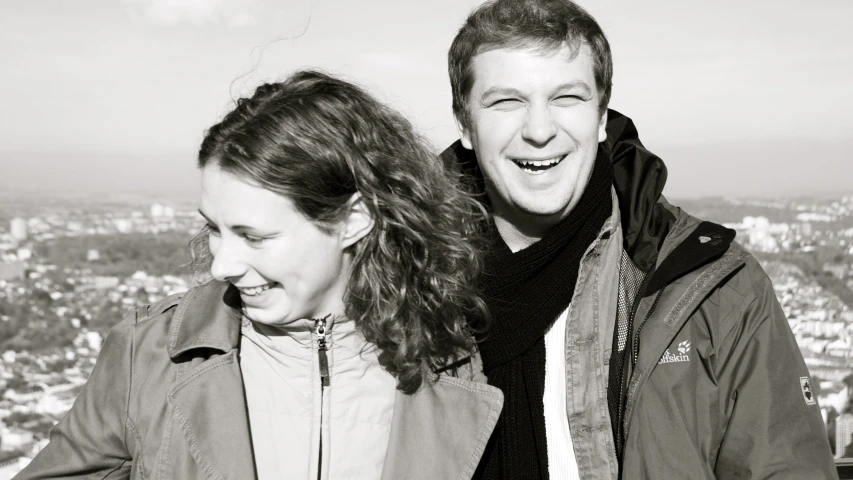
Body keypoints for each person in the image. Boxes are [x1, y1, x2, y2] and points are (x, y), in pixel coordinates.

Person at [15, 70, 503, 480]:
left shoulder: (455, 359)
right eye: (215, 229)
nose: (222, 264)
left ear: (354, 220)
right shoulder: (150, 356)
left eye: (255, 236)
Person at [440, 0, 837, 478]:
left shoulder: (716, 292)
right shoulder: (396, 291)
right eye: (507, 101)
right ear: (465, 123)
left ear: (602, 116)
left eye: (567, 98)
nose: (540, 130)